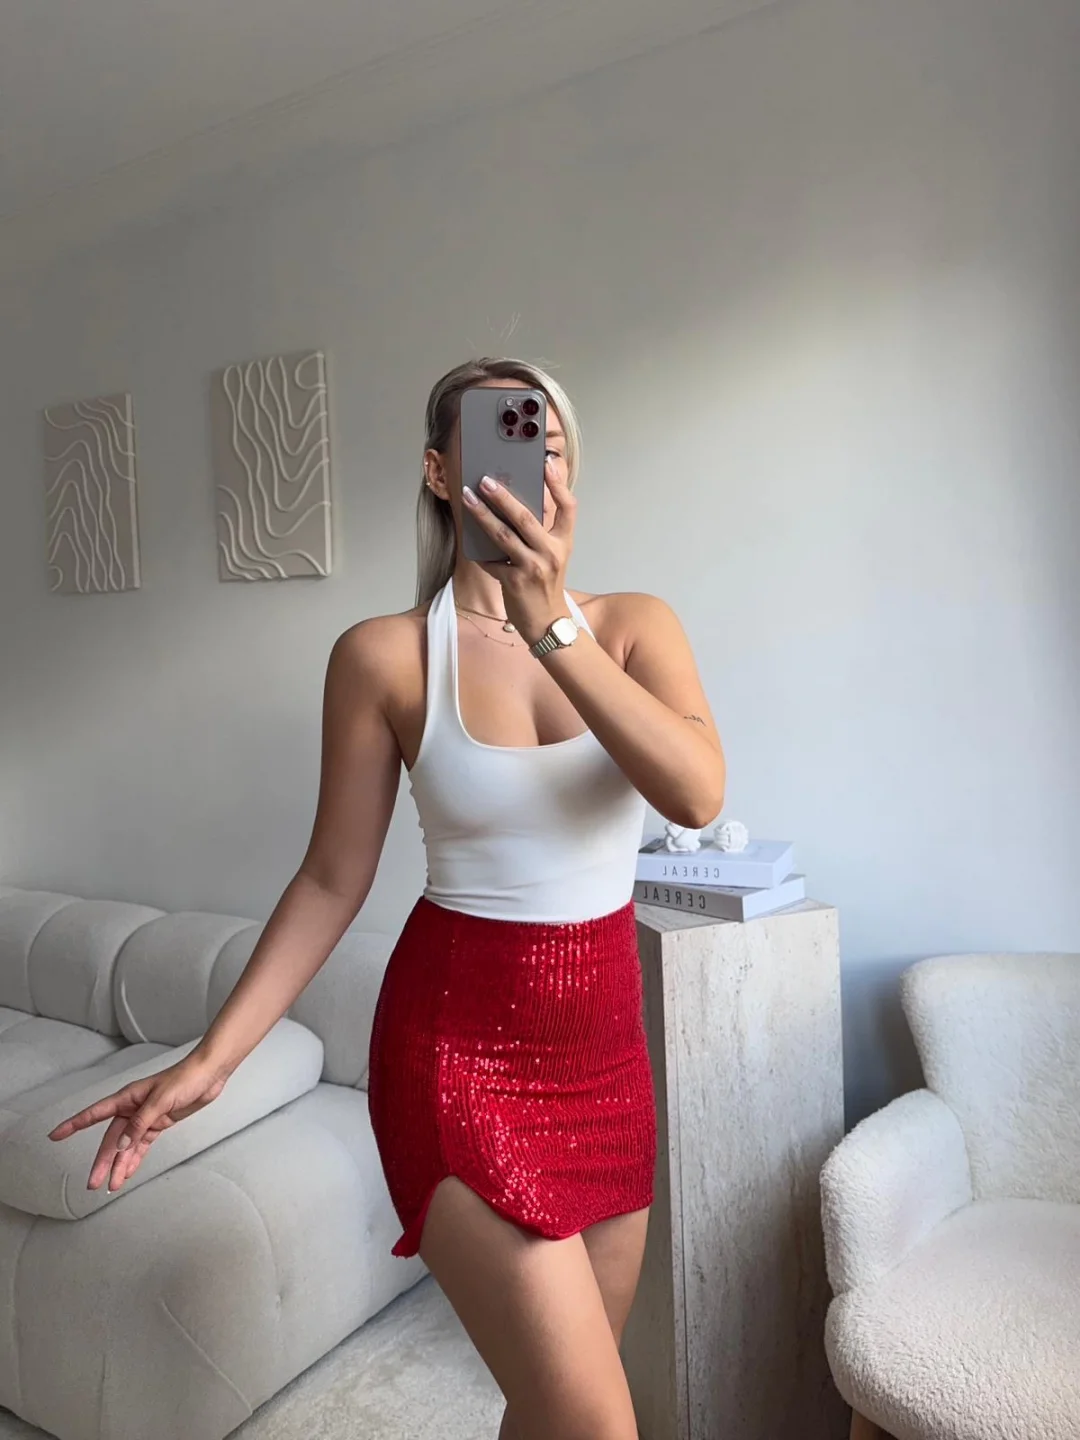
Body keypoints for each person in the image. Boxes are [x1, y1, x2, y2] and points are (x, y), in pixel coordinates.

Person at [49, 357, 726, 1440]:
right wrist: (212, 1061)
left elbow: (695, 794)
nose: (531, 467)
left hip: (606, 1061)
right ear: (440, 470)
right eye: (502, 442)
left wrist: (552, 623)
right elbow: (332, 877)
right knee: (600, 1425)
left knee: (554, 1410)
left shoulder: (636, 626)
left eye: (549, 446)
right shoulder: (385, 657)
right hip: (458, 1056)